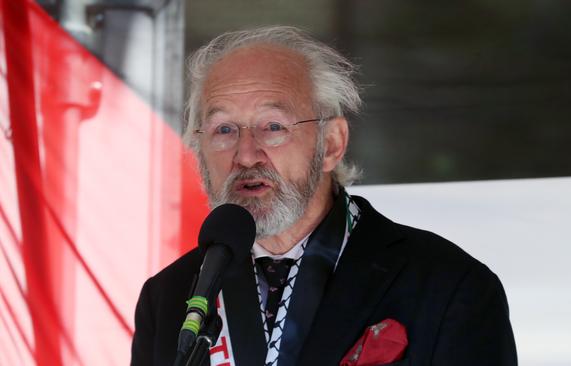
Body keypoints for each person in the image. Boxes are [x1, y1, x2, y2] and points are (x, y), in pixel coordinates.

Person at [131, 26, 517, 366]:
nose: (246, 154)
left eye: (273, 126)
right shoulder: (169, 297)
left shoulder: (449, 286)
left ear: (331, 143)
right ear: (198, 150)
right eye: (224, 130)